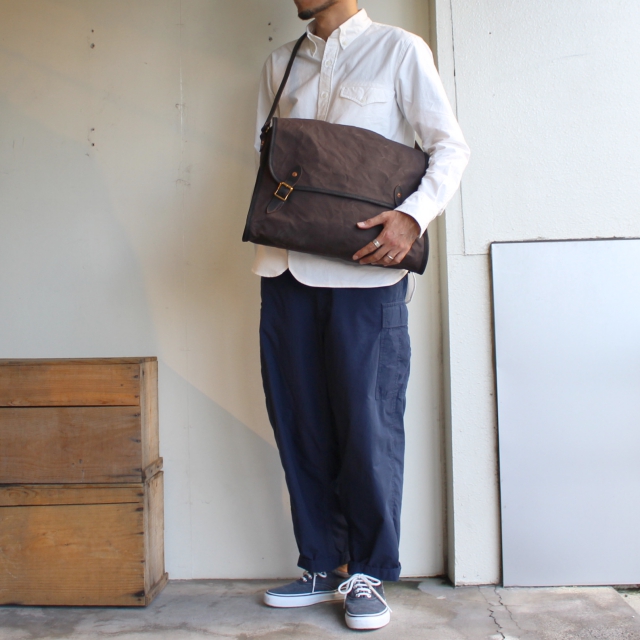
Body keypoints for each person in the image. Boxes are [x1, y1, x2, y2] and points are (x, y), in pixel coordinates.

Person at [253, 0, 469, 631]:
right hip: (285, 266)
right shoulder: (279, 63)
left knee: (368, 423)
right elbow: (266, 159)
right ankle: (321, 561)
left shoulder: (399, 50)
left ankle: (369, 571)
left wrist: (412, 218)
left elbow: (450, 148)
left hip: (365, 271)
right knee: (299, 421)